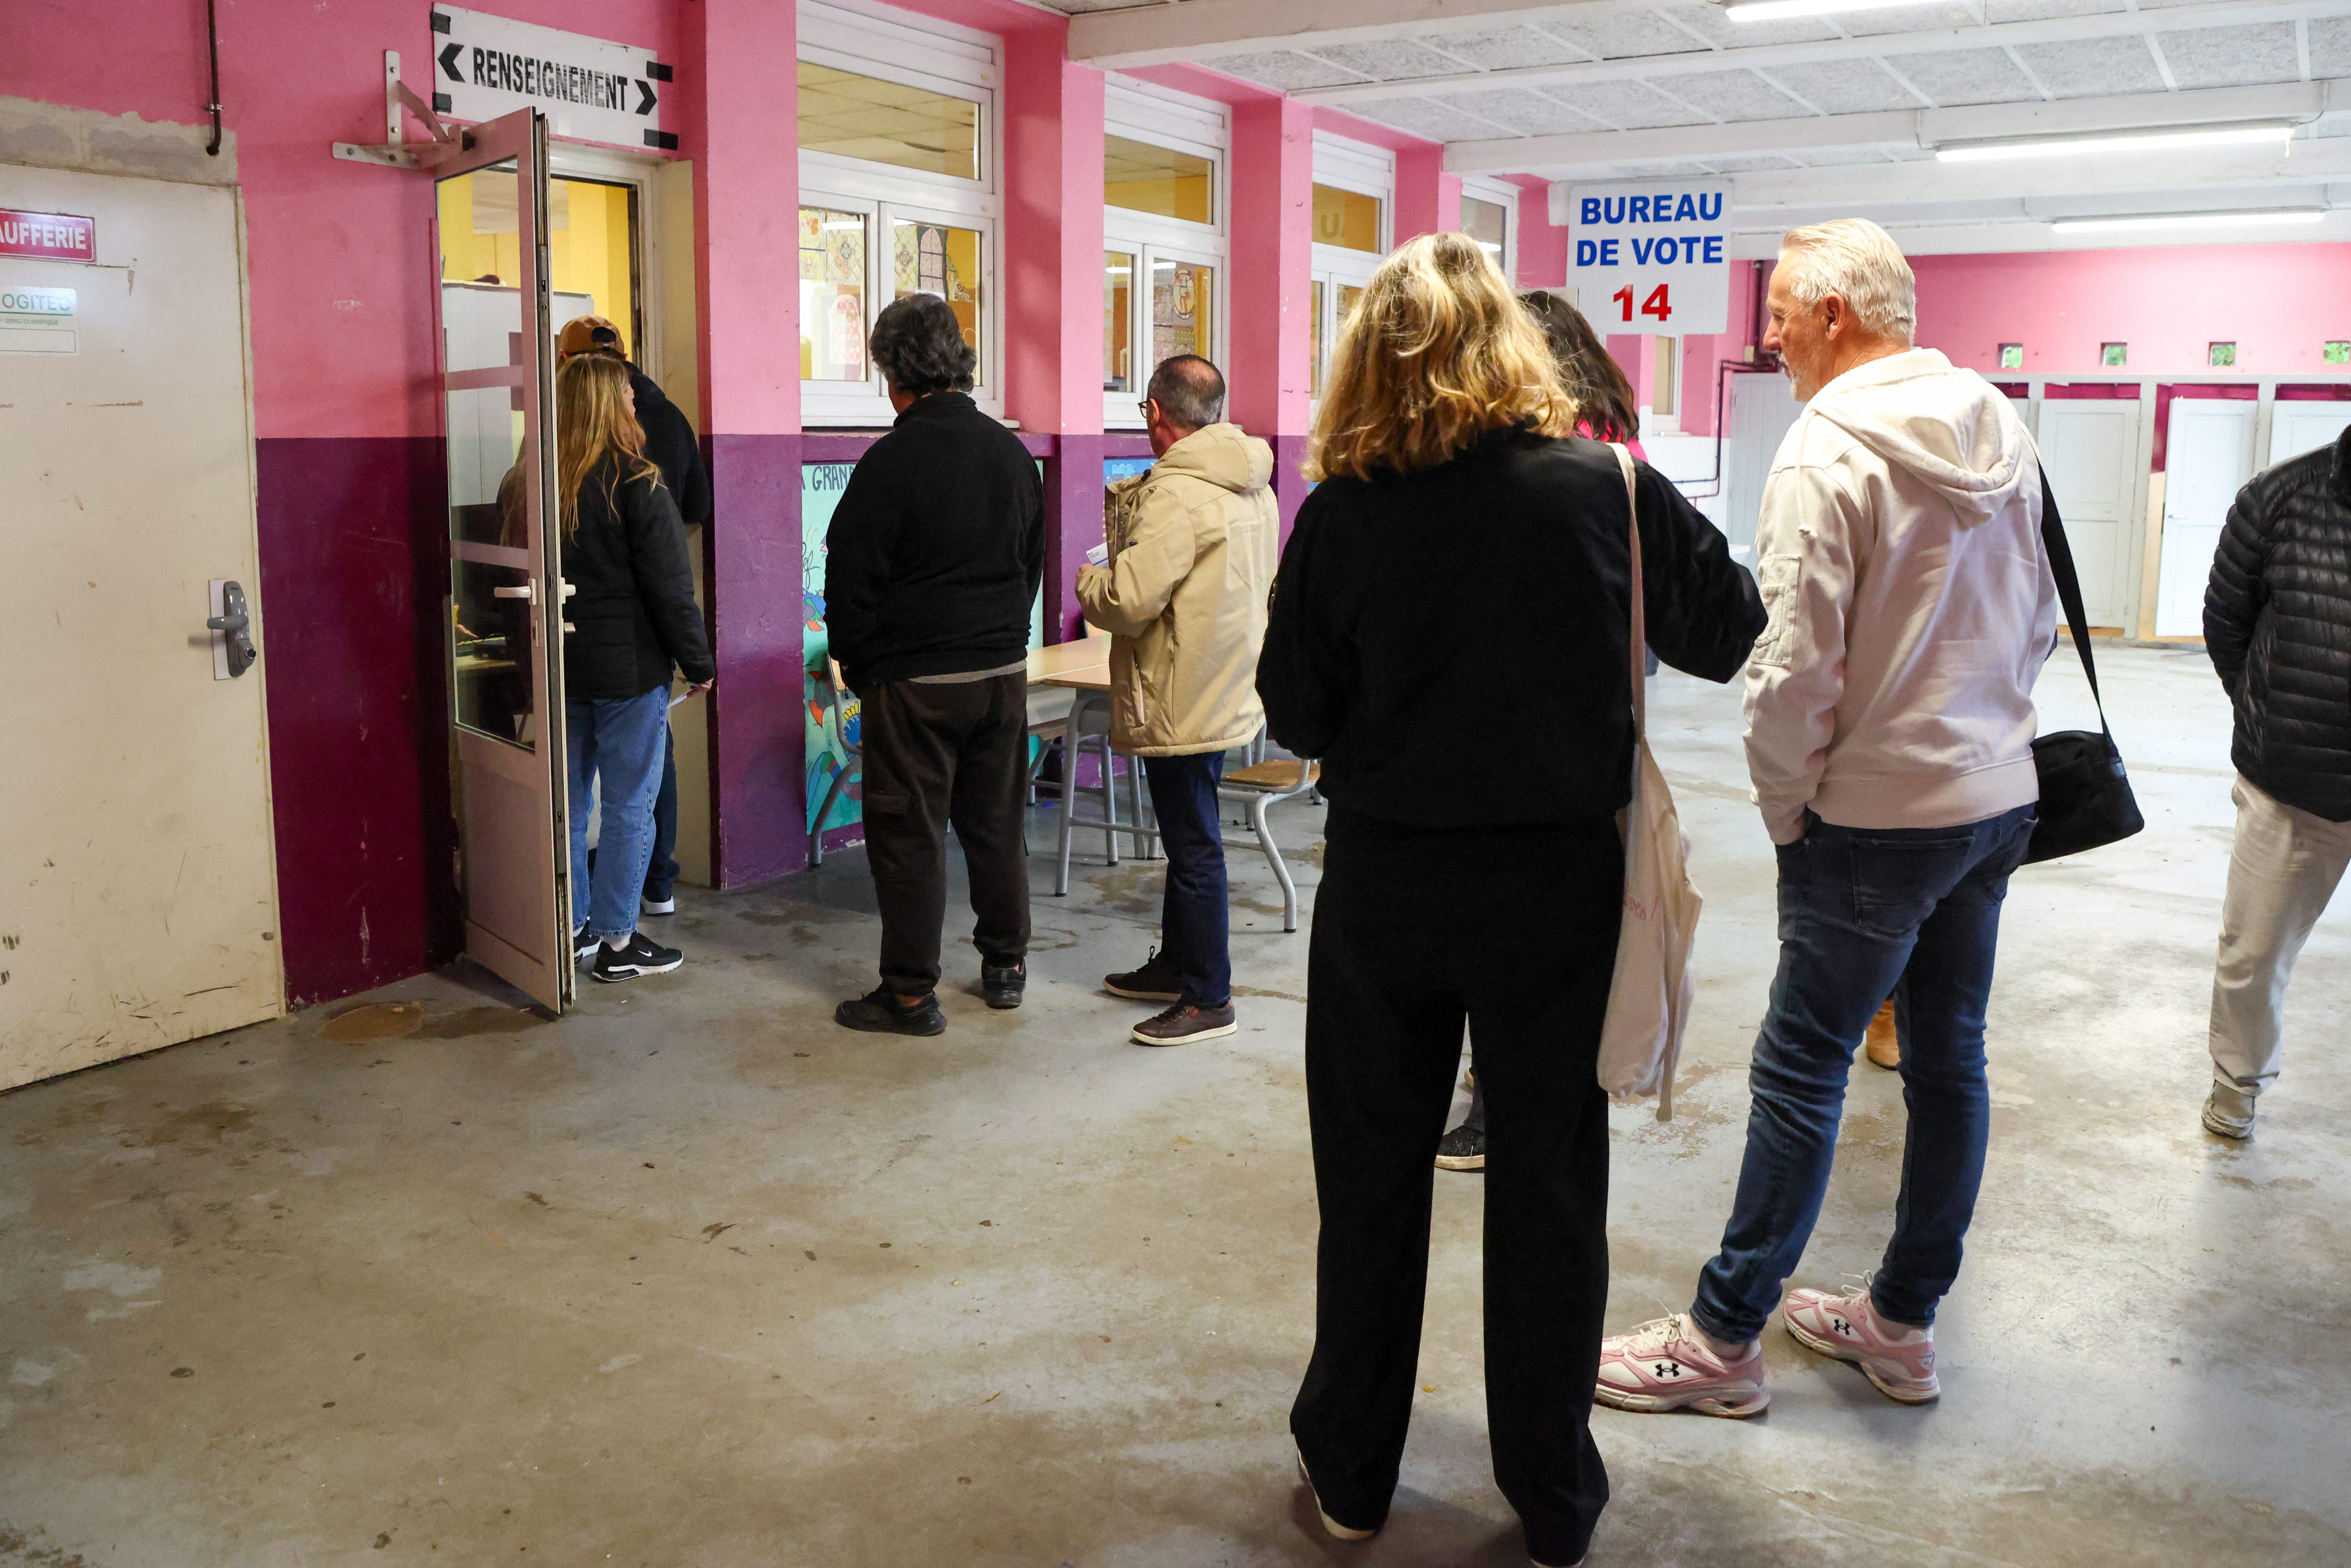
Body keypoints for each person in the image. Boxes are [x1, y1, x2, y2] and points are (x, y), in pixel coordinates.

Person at [1258, 233, 1762, 1568]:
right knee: (1548, 1182)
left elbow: (1293, 710)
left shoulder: (1343, 512)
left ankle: (1353, 1474)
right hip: (1557, 888)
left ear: (1367, 362)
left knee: (1370, 1177)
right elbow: (1728, 630)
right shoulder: (1606, 487)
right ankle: (1550, 1497)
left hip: (1386, 884)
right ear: (1513, 345)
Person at [1596, 218, 2055, 1419]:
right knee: (1949, 1062)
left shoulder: (1825, 447)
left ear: (1834, 315)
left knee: (1801, 1069)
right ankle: (1900, 1323)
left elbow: (1791, 665)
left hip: (1871, 818)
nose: (1769, 337)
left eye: (1781, 313)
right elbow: (2041, 618)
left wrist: (1786, 807)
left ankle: (1721, 1339)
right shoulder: (1999, 424)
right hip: (1993, 799)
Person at [1437, 291, 1658, 1174]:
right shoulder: (1622, 449)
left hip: (1529, 717)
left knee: (1506, 927)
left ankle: (1495, 1106)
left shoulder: (1553, 456)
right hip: (1599, 714)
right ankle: (1533, 1093)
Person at [823, 294, 1043, 1035]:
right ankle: (1006, 966)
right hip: (1000, 674)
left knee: (910, 835)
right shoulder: (1012, 455)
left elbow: (850, 579)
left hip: (915, 683)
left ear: (891, 372)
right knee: (996, 824)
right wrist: (999, 641)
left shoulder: (891, 462)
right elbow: (1030, 564)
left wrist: (864, 668)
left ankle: (911, 996)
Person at [1078, 355, 1278, 1047]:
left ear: (1157, 414)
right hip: (1226, 685)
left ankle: (1208, 997)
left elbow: (1128, 601)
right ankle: (1176, 965)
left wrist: (1087, 582)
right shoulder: (1253, 483)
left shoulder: (1175, 494)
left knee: (1194, 847)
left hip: (1179, 694)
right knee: (1188, 835)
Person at [2199, 421, 2351, 1139]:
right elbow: (2226, 625)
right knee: (2254, 954)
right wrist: (2274, 715)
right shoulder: (2279, 497)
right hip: (2291, 783)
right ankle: (2238, 1082)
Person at [555, 353, 715, 982]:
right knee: (628, 806)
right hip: (628, 675)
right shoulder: (639, 483)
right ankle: (618, 941)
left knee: (568, 806)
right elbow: (672, 590)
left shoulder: (536, 483)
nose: (633, 403)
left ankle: (571, 930)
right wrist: (699, 663)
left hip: (561, 670)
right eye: (625, 394)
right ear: (608, 405)